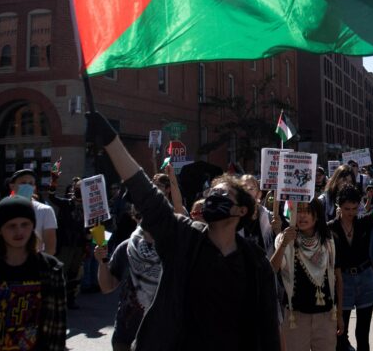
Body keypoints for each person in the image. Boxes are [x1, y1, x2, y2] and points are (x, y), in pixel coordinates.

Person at [87, 111, 280, 350]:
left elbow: (268, 327)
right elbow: (144, 192)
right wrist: (111, 140)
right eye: (211, 193)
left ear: (241, 211)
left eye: (223, 194)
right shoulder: (183, 238)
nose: (213, 197)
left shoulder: (256, 263)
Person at [271, 198, 343, 350]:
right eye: (298, 211)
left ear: (316, 215)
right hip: (295, 317)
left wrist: (340, 315)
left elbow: (338, 279)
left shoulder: (329, 241)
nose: (302, 216)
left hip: (326, 316)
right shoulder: (284, 239)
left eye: (307, 211)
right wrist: (284, 243)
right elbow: (272, 269)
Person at [0, 195, 67, 350]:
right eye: (11, 226)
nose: (19, 231)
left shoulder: (50, 268)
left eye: (25, 224)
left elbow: (58, 324)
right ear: (0, 230)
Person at [93, 207, 162, 351]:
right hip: (125, 333)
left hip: (159, 334)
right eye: (139, 214)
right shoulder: (126, 247)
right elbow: (107, 287)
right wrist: (102, 262)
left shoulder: (171, 249)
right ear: (135, 218)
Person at [329, 186, 373, 351]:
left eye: (354, 208)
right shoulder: (330, 228)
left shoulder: (363, 222)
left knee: (363, 333)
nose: (351, 212)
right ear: (339, 206)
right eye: (347, 209)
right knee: (340, 332)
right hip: (342, 280)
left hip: (365, 276)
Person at [48, 176, 88, 309]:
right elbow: (52, 197)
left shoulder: (88, 207)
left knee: (74, 273)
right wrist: (53, 182)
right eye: (77, 189)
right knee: (61, 271)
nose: (79, 192)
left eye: (81, 189)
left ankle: (71, 299)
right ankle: (57, 298)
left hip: (79, 245)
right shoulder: (66, 203)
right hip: (66, 244)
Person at [7, 169, 57, 255]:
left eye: (31, 183)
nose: (27, 186)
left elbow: (50, 249)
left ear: (34, 187)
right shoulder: (3, 209)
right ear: (12, 186)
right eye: (23, 183)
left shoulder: (45, 210)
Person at [240, 174, 279, 256]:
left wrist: (277, 231)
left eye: (251, 188)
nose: (247, 192)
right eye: (243, 188)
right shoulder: (233, 219)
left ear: (259, 194)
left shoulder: (270, 218)